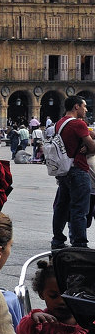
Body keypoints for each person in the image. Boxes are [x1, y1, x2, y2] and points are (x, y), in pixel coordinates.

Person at [49, 95, 95, 249]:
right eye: (84, 106)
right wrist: (88, 144)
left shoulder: (59, 123)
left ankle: (57, 240)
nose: (86, 109)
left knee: (61, 207)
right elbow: (93, 147)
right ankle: (79, 242)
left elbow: (70, 141)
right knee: (80, 209)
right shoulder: (78, 124)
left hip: (64, 171)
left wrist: (86, 141)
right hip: (79, 170)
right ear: (76, 107)